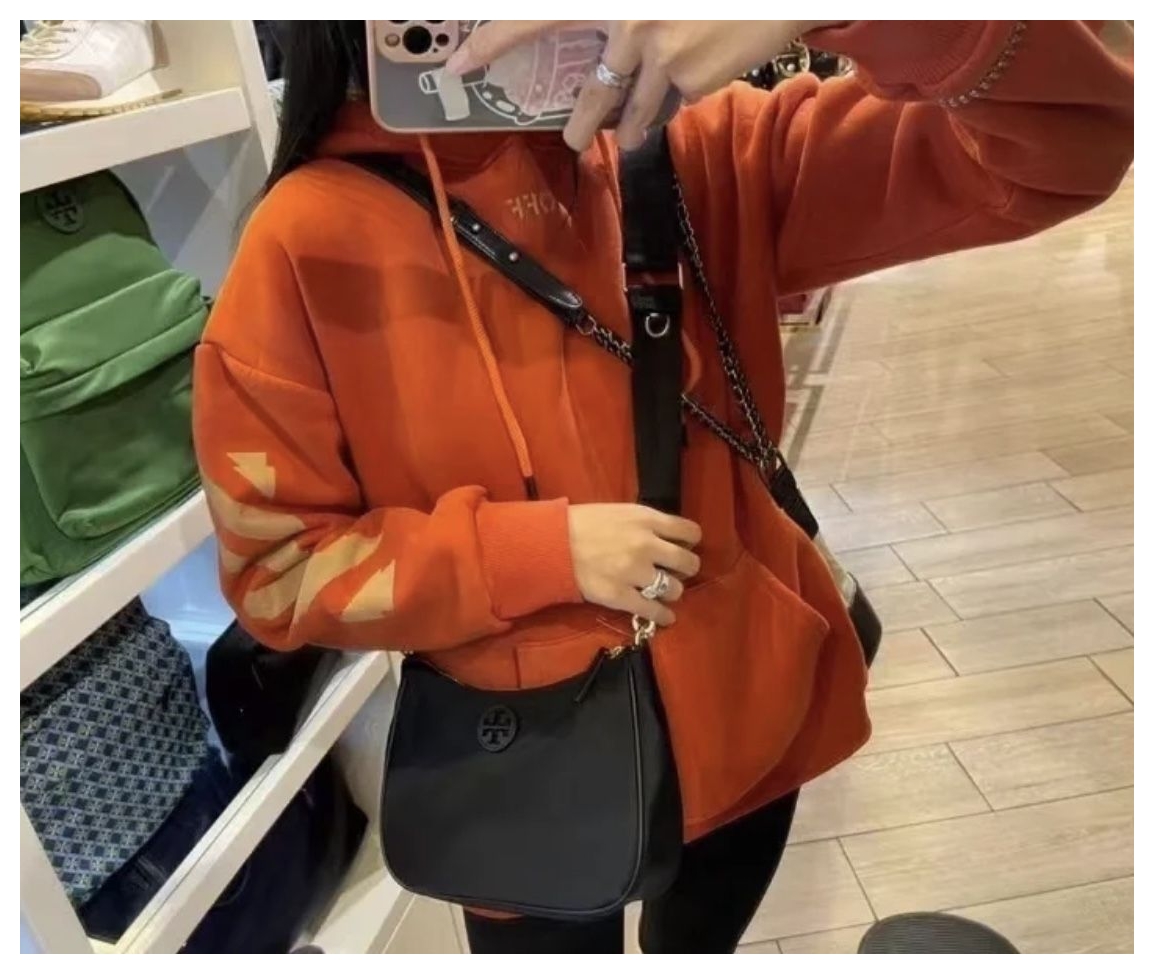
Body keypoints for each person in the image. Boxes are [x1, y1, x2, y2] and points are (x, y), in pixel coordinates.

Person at [193, 20, 1133, 953]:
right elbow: (279, 571)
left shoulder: (699, 153)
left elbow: (1072, 140)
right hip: (527, 766)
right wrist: (535, 553)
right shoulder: (307, 243)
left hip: (750, 721)